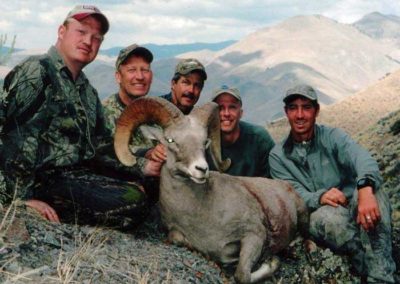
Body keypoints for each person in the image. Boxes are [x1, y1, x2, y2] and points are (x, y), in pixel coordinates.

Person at [0, 5, 162, 228]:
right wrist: (22, 198)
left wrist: (142, 166)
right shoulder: (37, 71)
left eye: (96, 38)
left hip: (72, 176)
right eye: (81, 32)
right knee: (133, 201)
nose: (88, 41)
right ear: (61, 31)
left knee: (145, 186)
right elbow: (16, 138)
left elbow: (102, 146)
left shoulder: (85, 90)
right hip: (39, 180)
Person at [268, 84, 395, 283]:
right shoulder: (278, 156)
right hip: (320, 211)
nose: (300, 115)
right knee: (332, 222)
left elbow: (362, 158)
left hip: (352, 201)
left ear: (316, 111)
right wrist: (319, 196)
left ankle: (381, 278)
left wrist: (365, 187)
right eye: (293, 108)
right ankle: (375, 269)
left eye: (306, 107)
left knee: (374, 194)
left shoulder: (332, 137)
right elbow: (290, 193)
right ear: (286, 112)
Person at [103, 44, 159, 202]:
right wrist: (146, 154)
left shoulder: (155, 112)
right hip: (124, 192)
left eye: (145, 70)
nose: (140, 76)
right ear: (118, 77)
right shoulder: (105, 113)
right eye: (132, 70)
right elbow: (105, 154)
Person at [207, 85, 275, 177]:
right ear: (212, 114)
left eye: (232, 107)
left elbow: (274, 181)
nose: (226, 113)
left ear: (241, 113)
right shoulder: (204, 142)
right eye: (220, 108)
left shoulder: (259, 139)